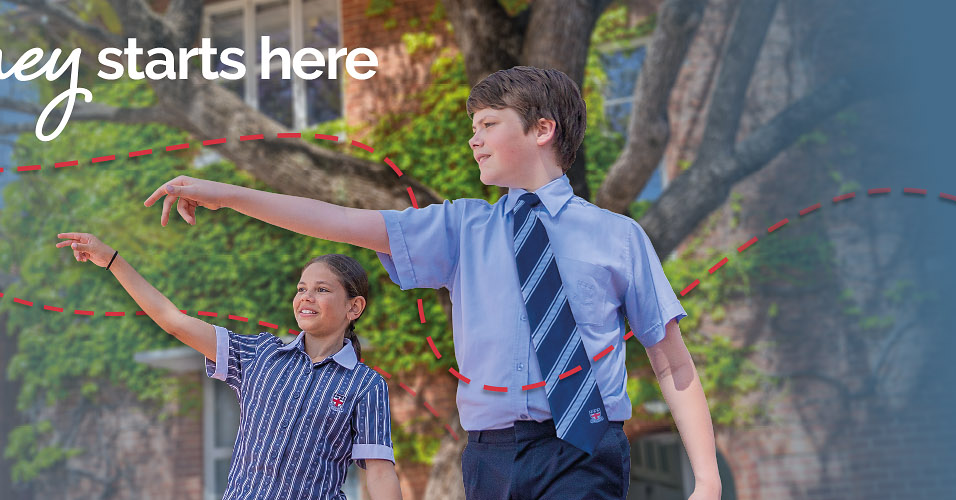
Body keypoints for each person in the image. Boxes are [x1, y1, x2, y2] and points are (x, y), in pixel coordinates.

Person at [142, 66, 722, 499]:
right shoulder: (460, 229)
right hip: (491, 456)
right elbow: (338, 220)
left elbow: (671, 360)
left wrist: (707, 480)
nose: (474, 139)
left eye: (488, 124)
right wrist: (226, 194)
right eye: (474, 127)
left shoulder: (618, 236)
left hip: (584, 449)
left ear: (543, 129)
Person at [55, 232, 403, 499]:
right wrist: (112, 260)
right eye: (301, 288)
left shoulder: (365, 385)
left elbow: (379, 472)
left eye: (322, 290)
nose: (306, 297)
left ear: (354, 307)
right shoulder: (260, 355)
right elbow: (173, 321)